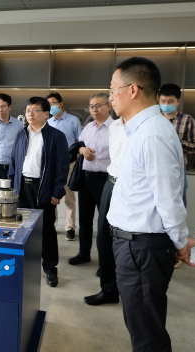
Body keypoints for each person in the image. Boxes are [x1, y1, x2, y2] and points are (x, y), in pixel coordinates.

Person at [107, 57, 195, 351]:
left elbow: (168, 199)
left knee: (147, 332)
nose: (110, 96)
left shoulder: (152, 134)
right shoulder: (142, 129)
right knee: (142, 322)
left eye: (113, 89)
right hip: (135, 244)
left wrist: (180, 243)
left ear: (133, 89)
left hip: (141, 247)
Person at [8, 97, 69, 287]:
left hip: (43, 188)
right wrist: (13, 187)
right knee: (22, 229)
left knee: (46, 230)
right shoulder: (21, 134)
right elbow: (13, 162)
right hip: (22, 187)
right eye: (28, 110)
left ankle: (50, 269)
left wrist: (57, 191)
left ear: (46, 113)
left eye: (35, 110)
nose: (30, 114)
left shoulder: (56, 136)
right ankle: (24, 266)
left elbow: (62, 167)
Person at [84, 114, 127, 306]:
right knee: (104, 236)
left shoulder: (148, 126)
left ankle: (129, 290)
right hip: (111, 182)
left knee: (128, 241)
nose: (112, 99)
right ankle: (109, 290)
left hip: (130, 185)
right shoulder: (115, 126)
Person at [68, 93, 112, 266]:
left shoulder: (116, 128)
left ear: (108, 106)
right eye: (91, 106)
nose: (94, 109)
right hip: (86, 178)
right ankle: (84, 253)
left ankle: (105, 262)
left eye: (98, 105)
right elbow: (79, 146)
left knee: (105, 223)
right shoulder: (88, 127)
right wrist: (82, 150)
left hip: (105, 180)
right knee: (85, 220)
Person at [46, 92, 82, 239]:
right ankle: (52, 224)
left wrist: (75, 159)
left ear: (61, 104)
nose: (51, 107)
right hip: (52, 164)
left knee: (68, 196)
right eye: (48, 105)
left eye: (53, 104)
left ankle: (70, 227)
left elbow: (79, 142)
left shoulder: (73, 120)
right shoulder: (48, 122)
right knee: (51, 196)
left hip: (68, 163)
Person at [158, 83, 195, 207]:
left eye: (170, 101)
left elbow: (194, 147)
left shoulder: (188, 120)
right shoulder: (155, 119)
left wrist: (176, 142)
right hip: (156, 167)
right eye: (163, 101)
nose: (166, 104)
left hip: (177, 168)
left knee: (178, 203)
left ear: (178, 101)